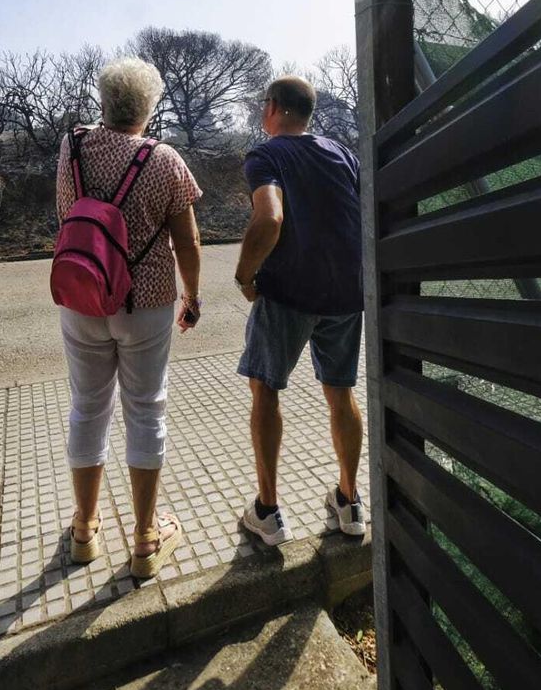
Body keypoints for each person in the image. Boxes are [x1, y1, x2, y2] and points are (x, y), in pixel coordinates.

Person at [55, 57, 203, 579]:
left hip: (81, 295)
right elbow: (186, 239)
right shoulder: (165, 160)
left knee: (87, 408)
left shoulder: (71, 145)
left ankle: (84, 529)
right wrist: (193, 296)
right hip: (147, 302)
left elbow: (65, 214)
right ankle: (144, 539)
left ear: (103, 100)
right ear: (149, 107)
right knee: (146, 409)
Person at [233, 75, 366, 546]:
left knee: (265, 391)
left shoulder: (266, 155)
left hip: (288, 293)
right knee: (341, 392)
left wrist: (245, 276)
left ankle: (268, 512)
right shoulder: (343, 154)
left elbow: (269, 218)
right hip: (347, 295)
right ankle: (349, 503)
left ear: (273, 108)